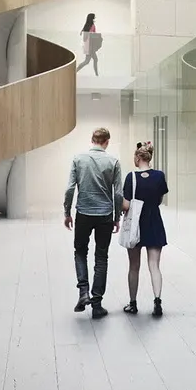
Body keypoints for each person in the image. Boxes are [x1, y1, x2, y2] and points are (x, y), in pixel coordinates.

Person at [63, 126, 120, 317]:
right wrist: (117, 216)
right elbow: (118, 193)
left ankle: (83, 291)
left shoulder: (78, 159)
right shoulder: (113, 161)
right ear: (106, 142)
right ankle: (97, 303)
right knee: (101, 257)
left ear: (92, 139)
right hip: (105, 214)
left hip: (84, 214)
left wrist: (67, 212)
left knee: (80, 251)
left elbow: (70, 189)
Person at [118, 139, 169, 317]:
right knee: (154, 265)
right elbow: (159, 200)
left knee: (134, 266)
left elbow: (125, 205)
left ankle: (133, 303)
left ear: (137, 158)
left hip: (135, 225)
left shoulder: (131, 177)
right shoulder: (160, 176)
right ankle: (157, 302)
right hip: (154, 222)